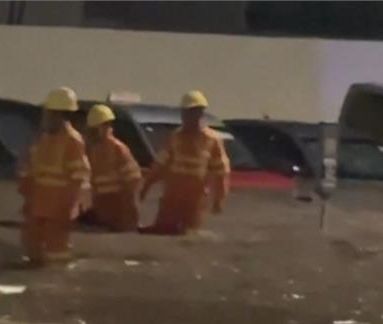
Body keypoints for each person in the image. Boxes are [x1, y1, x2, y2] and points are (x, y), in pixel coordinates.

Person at [138, 90, 230, 236]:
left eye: (193, 113)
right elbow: (159, 166)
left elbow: (221, 173)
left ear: (201, 113)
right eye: (186, 113)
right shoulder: (175, 137)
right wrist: (145, 188)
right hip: (172, 197)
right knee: (162, 232)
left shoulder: (212, 140)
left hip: (195, 200)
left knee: (189, 234)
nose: (188, 117)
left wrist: (219, 200)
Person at [17, 86, 91, 265]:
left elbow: (78, 177)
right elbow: (33, 170)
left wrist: (67, 208)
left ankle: (56, 284)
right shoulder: (45, 139)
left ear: (59, 115)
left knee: (56, 251)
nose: (44, 118)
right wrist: (27, 195)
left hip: (58, 209)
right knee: (31, 246)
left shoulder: (72, 141)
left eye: (48, 113)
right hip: (40, 206)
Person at [83, 104, 143, 232]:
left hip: (118, 217)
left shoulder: (118, 150)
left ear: (106, 127)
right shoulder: (92, 150)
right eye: (90, 131)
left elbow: (132, 186)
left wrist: (129, 221)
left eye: (95, 131)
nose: (91, 135)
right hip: (102, 216)